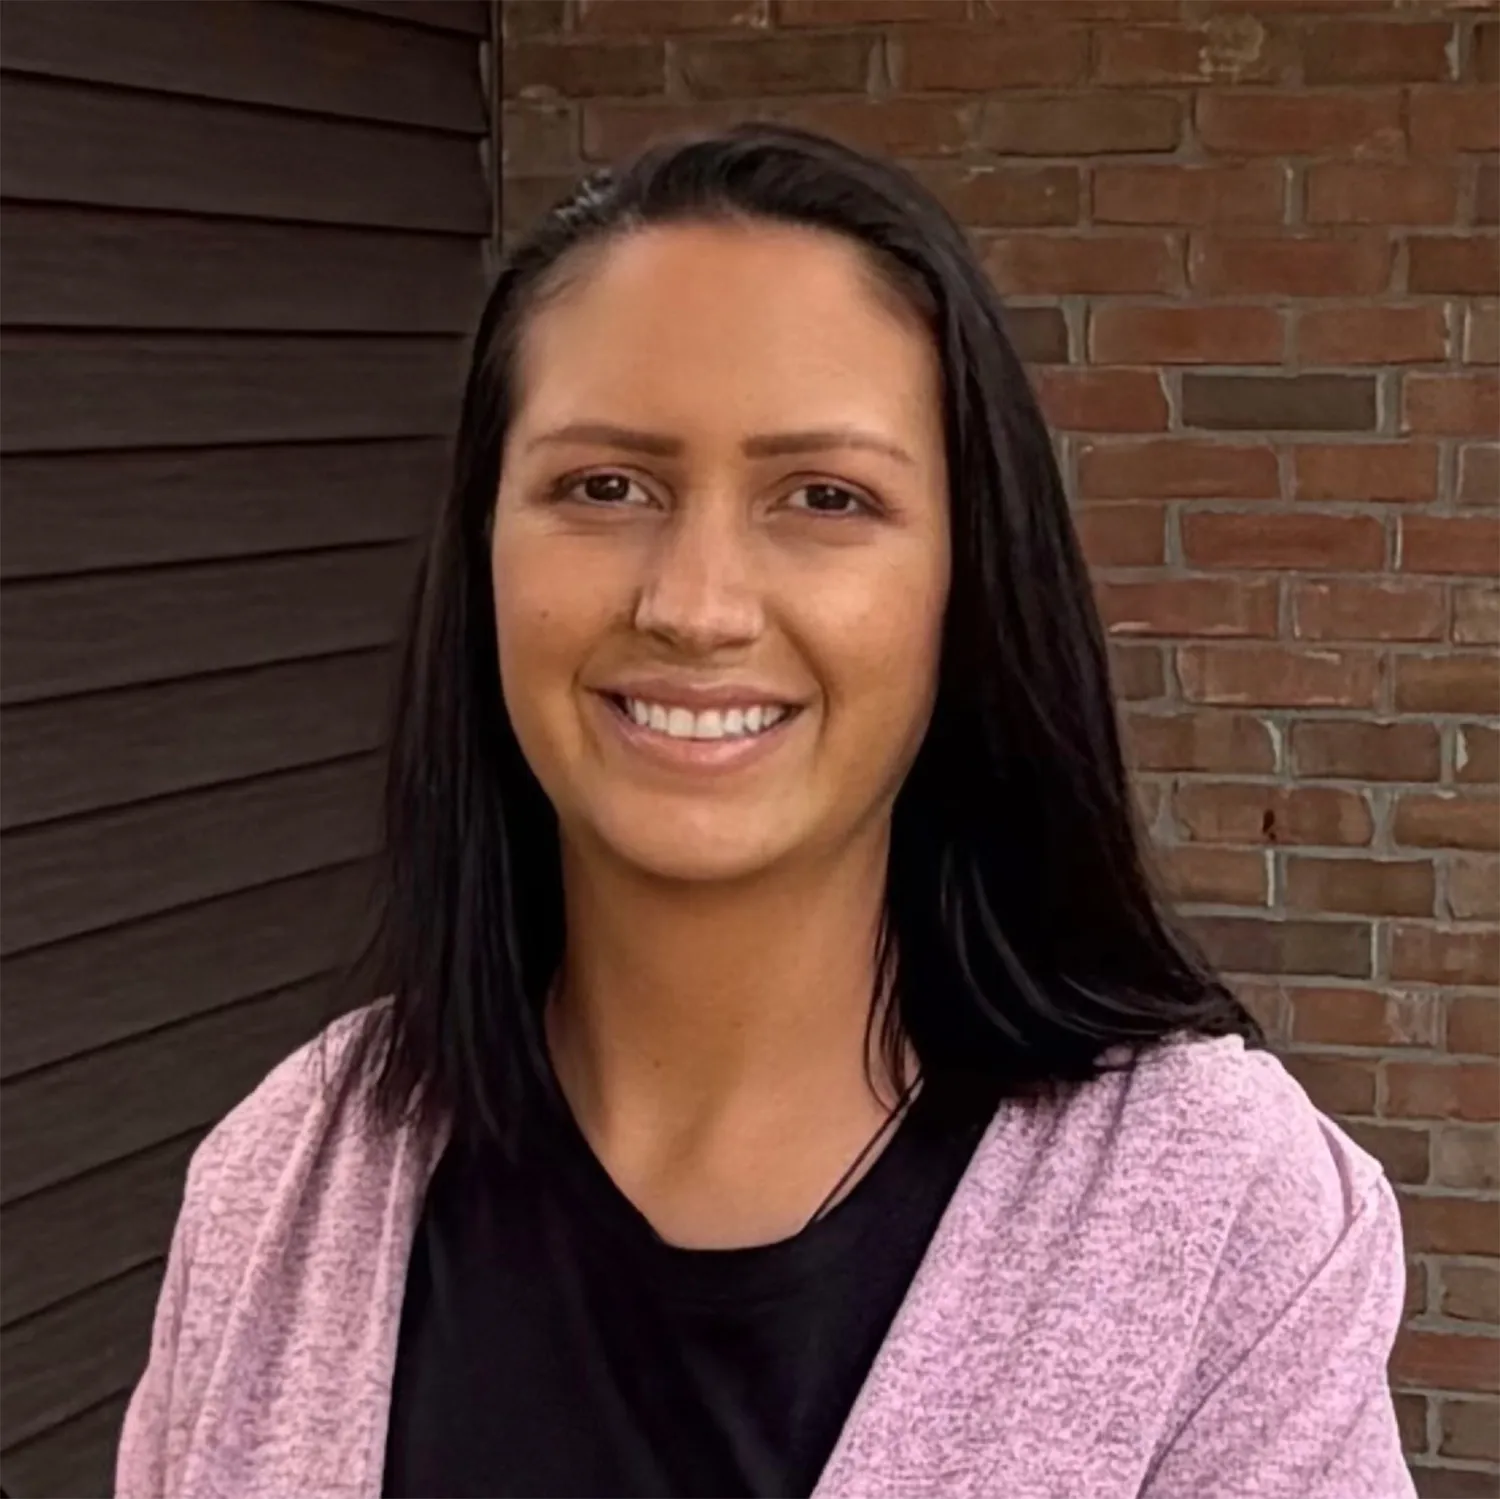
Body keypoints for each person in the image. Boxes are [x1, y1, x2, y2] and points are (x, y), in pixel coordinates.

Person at [116, 123, 1414, 1499]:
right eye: (604, 486)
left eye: (823, 496)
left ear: (968, 586)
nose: (695, 605)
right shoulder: (282, 1181)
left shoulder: (1217, 1217)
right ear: (480, 546)